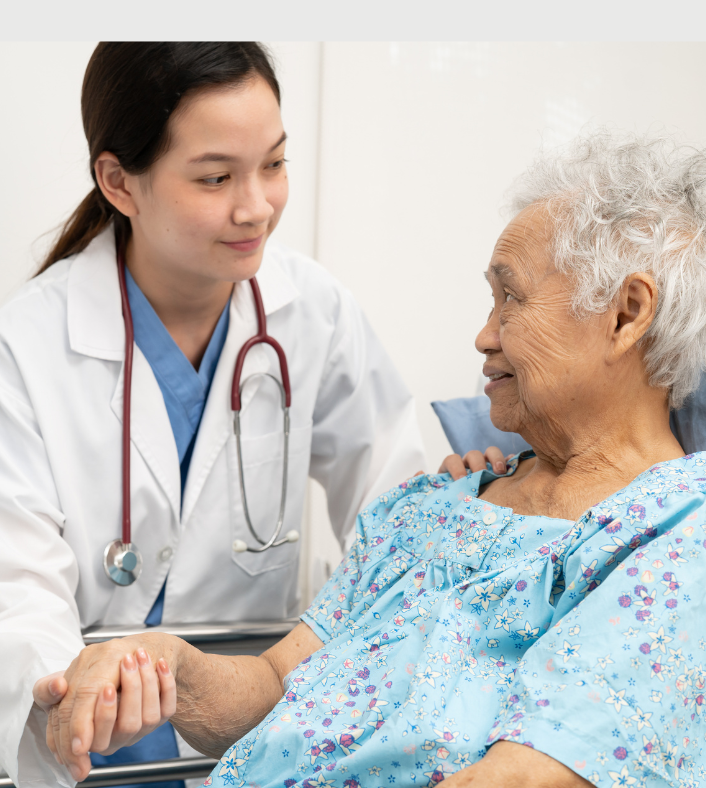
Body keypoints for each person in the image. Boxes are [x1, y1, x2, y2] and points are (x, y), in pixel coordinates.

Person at [40, 132, 706, 788]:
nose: (484, 334)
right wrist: (159, 663)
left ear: (626, 313)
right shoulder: (433, 508)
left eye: (513, 298)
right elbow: (276, 684)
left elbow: (522, 777)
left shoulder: (676, 541)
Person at [0, 43, 428, 788]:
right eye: (215, 176)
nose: (256, 205)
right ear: (118, 182)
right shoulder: (28, 346)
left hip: (250, 737)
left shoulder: (313, 314)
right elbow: (16, 582)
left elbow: (398, 513)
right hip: (82, 738)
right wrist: (64, 686)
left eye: (275, 164)